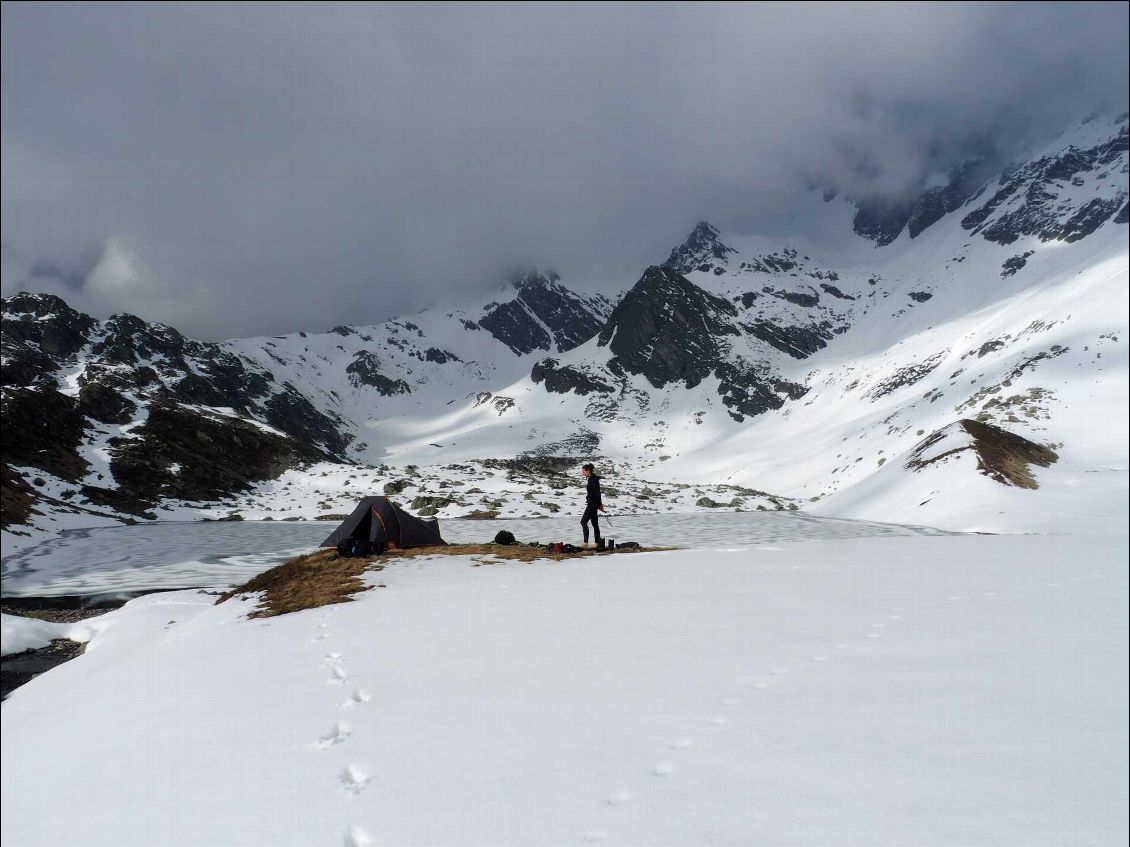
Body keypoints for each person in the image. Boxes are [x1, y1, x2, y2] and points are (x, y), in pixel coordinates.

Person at [580, 463, 604, 546]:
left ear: (588, 471)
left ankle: (585, 543)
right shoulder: (591, 479)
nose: (582, 473)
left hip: (592, 504)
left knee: (583, 522)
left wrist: (600, 505)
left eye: (583, 471)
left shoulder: (593, 480)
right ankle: (597, 542)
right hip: (593, 504)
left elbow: (597, 493)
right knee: (595, 524)